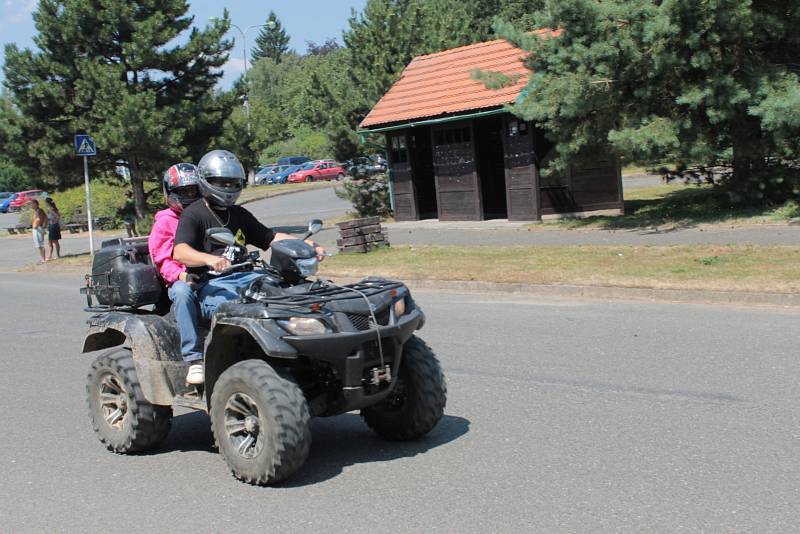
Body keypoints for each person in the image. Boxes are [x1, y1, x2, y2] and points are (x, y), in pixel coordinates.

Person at [173, 150, 325, 384]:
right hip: (212, 285)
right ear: (206, 181)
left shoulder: (239, 214)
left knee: (290, 296)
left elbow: (270, 236)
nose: (228, 187)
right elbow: (180, 251)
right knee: (246, 310)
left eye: (233, 183)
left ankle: (304, 354)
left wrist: (306, 243)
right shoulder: (194, 215)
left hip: (249, 279)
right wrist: (209, 259)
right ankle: (196, 361)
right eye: (222, 182)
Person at [148, 163, 204, 384]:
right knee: (182, 293)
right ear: (171, 193)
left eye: (193, 190)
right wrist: (182, 276)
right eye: (184, 191)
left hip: (209, 272)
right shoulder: (165, 223)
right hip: (180, 279)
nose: (190, 195)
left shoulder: (205, 214)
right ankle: (194, 358)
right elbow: (163, 261)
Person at [30, 199, 47, 264]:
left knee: (40, 245)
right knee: (39, 245)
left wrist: (36, 226)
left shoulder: (39, 210)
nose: (31, 205)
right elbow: (45, 217)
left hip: (38, 229)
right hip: (38, 228)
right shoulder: (37, 211)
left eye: (32, 204)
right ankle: (42, 259)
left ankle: (43, 259)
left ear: (36, 204)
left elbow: (39, 219)